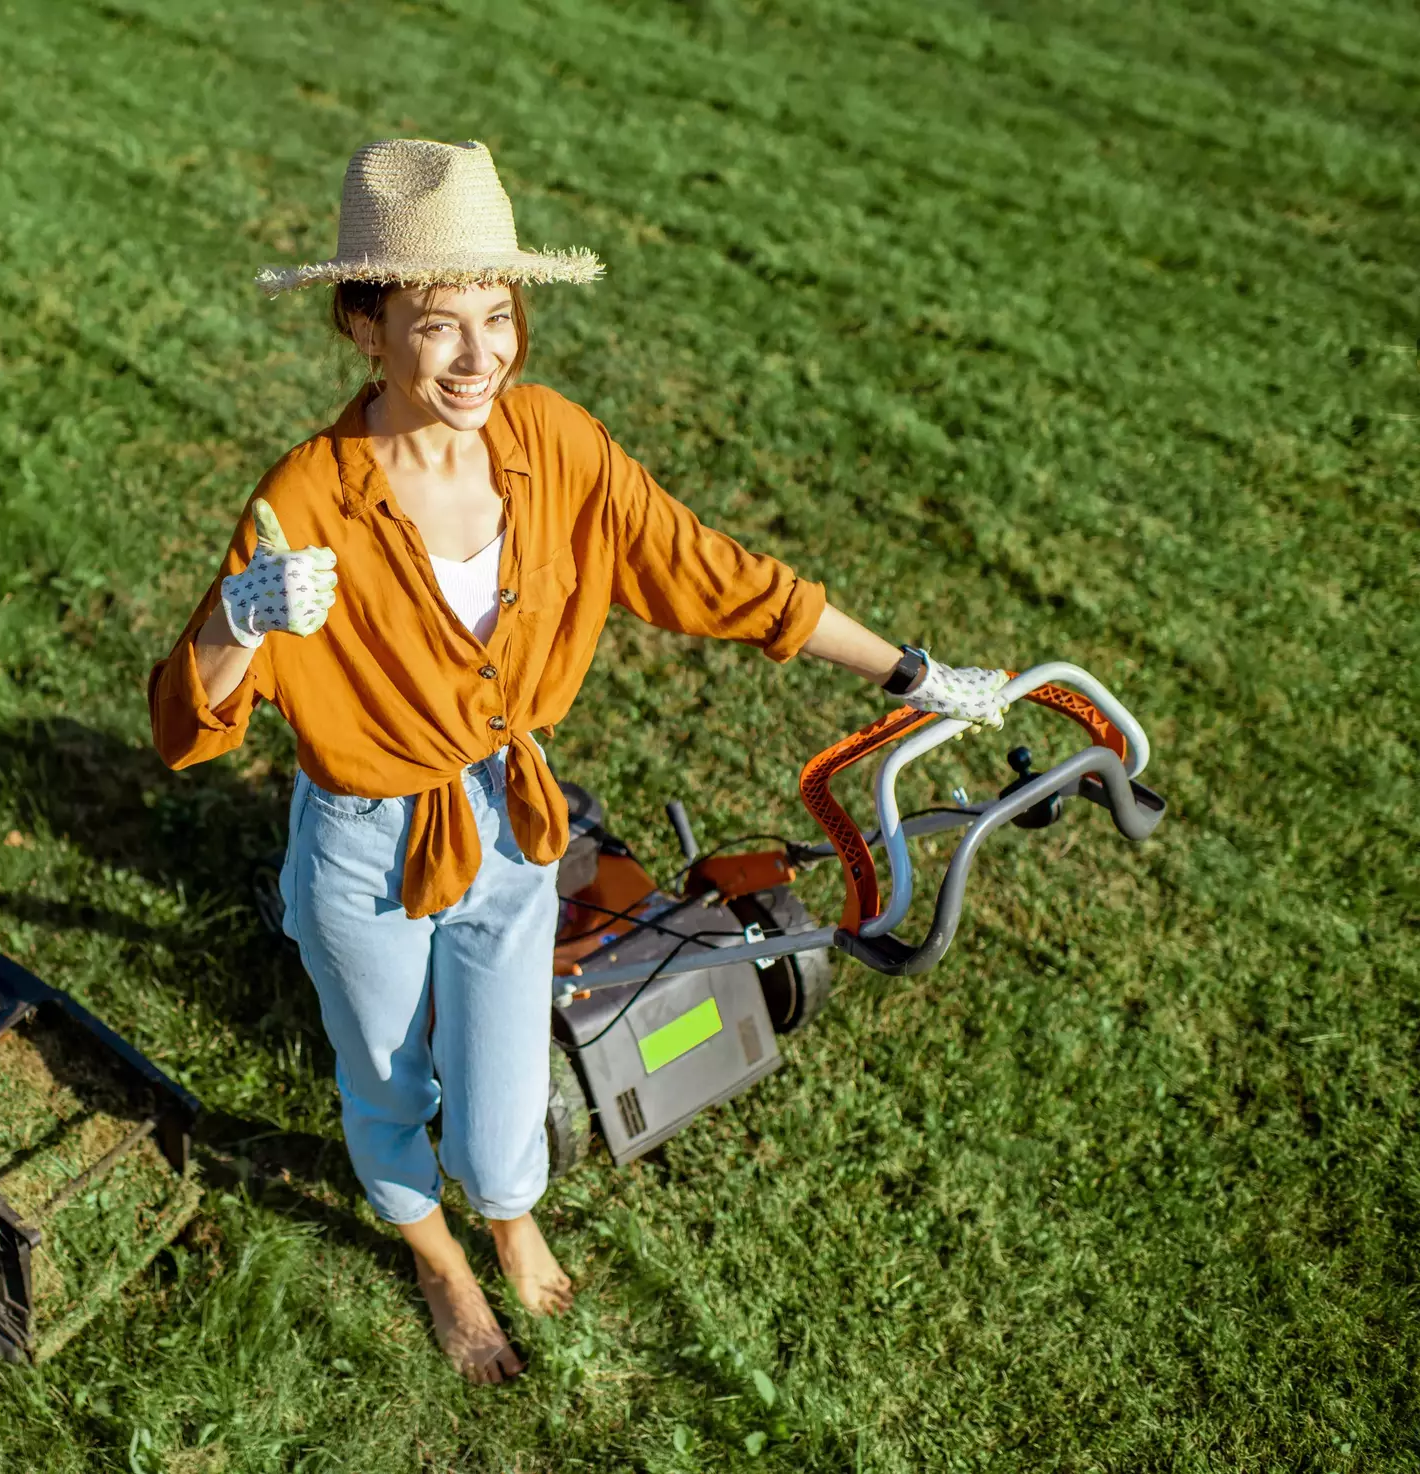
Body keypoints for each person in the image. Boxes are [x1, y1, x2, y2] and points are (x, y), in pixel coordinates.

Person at [148, 139, 1013, 1383]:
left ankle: (510, 1215)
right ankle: (441, 1262)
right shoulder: (307, 500)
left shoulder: (553, 445)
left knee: (503, 1073)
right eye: (437, 326)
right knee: (387, 1076)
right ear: (366, 326)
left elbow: (716, 573)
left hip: (508, 821)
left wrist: (911, 671)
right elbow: (190, 727)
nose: (478, 356)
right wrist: (240, 618)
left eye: (497, 319)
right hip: (365, 844)